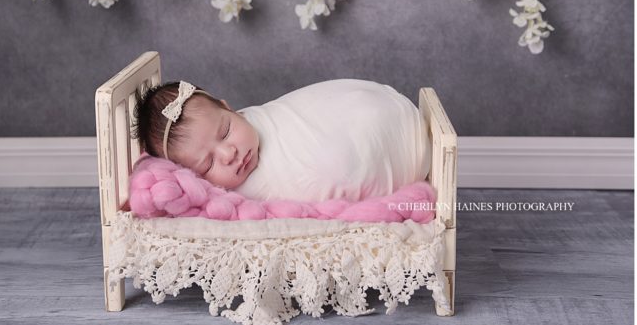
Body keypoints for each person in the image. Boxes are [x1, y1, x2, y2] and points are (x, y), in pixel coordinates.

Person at [134, 79, 430, 203]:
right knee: (339, 164)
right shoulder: (231, 196)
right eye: (208, 163)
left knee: (358, 114)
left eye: (225, 131)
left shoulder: (264, 118)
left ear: (228, 107)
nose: (229, 153)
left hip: (395, 118)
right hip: (403, 159)